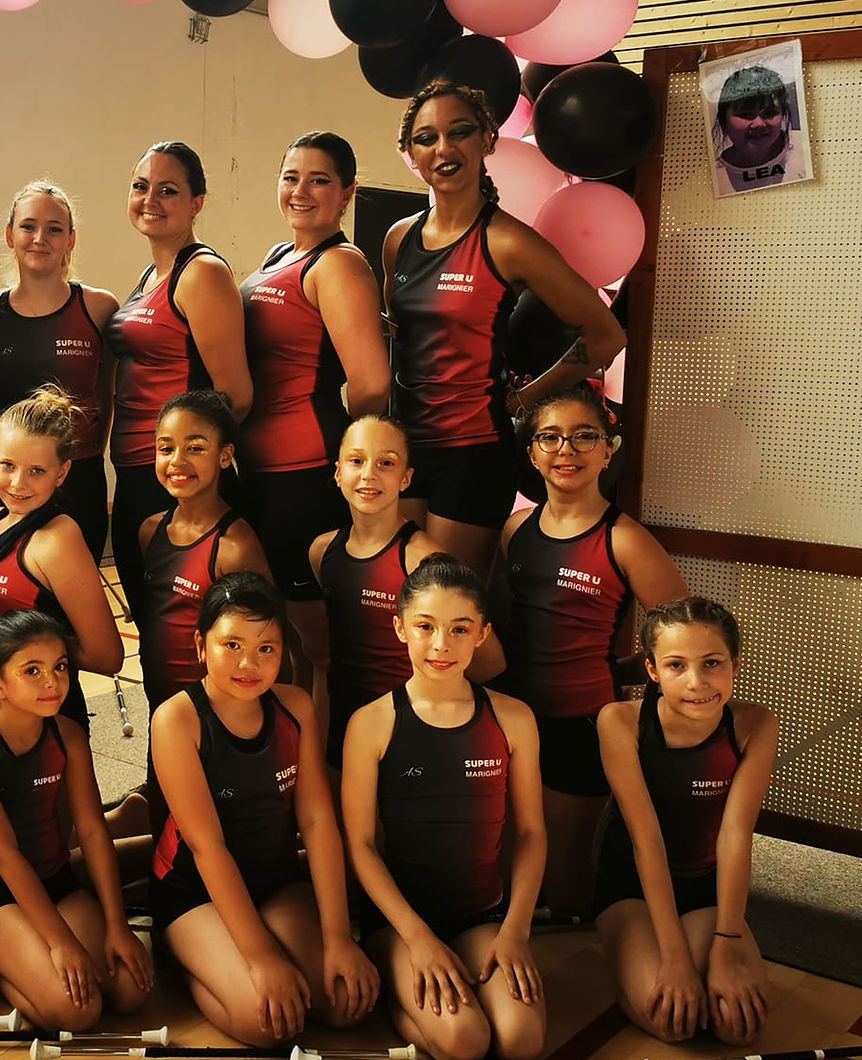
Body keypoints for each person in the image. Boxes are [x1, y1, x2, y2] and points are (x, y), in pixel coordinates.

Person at [385, 80, 625, 575]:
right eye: (427, 138)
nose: (443, 148)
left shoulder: (509, 242)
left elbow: (606, 334)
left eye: (459, 132)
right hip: (403, 447)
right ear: (410, 152)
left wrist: (523, 398)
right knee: (401, 597)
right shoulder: (398, 238)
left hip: (471, 454)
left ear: (487, 139)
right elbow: (398, 336)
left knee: (447, 600)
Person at [474, 383, 688, 921]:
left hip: (581, 726)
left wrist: (627, 677)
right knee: (504, 882)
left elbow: (687, 641)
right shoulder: (515, 530)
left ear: (608, 450)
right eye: (550, 437)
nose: (565, 450)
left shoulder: (625, 540)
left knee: (569, 896)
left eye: (583, 436)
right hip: (512, 719)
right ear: (532, 454)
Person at [149, 572, 378, 1046]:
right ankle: (186, 960)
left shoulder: (296, 707)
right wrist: (261, 957)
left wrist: (338, 938)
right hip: (196, 892)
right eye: (231, 645)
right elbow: (207, 847)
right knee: (267, 1022)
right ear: (200, 646)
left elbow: (317, 822)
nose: (248, 664)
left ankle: (250, 949)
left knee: (343, 1003)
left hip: (275, 883)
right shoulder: (177, 720)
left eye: (266, 648)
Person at [340, 556, 546, 1060]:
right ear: (400, 628)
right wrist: (417, 939)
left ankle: (451, 980)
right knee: (464, 1041)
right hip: (401, 924)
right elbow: (361, 845)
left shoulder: (513, 718)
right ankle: (394, 985)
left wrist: (516, 931)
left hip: (482, 916)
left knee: (521, 1042)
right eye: (425, 626)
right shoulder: (371, 723)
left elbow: (531, 834)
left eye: (460, 629)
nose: (441, 645)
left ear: (482, 634)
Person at [0, 610, 154, 1032]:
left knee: (131, 990)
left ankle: (29, 959)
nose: (52, 682)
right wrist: (60, 942)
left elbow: (92, 831)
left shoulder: (68, 734)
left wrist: (117, 925)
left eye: (59, 667)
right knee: (77, 1011)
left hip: (56, 881)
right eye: (32, 671)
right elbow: (4, 855)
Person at [238, 132, 390, 681]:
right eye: (291, 177)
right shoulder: (281, 255)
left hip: (304, 472)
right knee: (273, 627)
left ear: (347, 193)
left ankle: (326, 736)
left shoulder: (339, 264)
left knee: (313, 642)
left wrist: (352, 469)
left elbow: (371, 384)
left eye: (319, 180)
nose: (300, 191)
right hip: (260, 470)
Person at [596, 597, 777, 1046]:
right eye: (676, 666)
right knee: (672, 1022)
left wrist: (727, 943)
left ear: (735, 664)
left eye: (712, 663)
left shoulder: (754, 725)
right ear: (653, 671)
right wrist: (676, 960)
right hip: (632, 887)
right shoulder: (620, 722)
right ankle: (628, 963)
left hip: (703, 888)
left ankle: (694, 955)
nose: (697, 682)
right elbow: (647, 841)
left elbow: (735, 837)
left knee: (736, 1026)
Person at [105, 142, 253, 615]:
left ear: (196, 203)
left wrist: (188, 471)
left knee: (186, 627)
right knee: (150, 622)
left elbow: (235, 395)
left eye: (167, 190)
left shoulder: (201, 272)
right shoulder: (152, 274)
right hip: (136, 472)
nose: (150, 199)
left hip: (177, 481)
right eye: (140, 186)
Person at [0, 387, 123, 732]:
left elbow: (106, 655)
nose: (18, 483)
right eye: (7, 465)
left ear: (61, 473)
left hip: (44, 731)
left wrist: (16, 652)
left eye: (37, 471)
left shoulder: (57, 538)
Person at [0, 182, 119, 564]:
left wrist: (82, 455)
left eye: (54, 229)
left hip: (77, 475)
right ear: (9, 235)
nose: (40, 238)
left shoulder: (99, 308)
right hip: (6, 481)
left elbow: (106, 395)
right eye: (28, 226)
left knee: (73, 588)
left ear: (71, 239)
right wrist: (16, 460)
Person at [308, 413, 444, 765]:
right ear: (338, 472)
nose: (369, 474)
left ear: (406, 478)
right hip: (343, 729)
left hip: (408, 735)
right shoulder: (322, 551)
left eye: (386, 463)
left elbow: (482, 661)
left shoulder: (422, 560)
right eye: (357, 460)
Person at [136, 390, 272, 715]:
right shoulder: (150, 531)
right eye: (166, 448)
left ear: (225, 456)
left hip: (219, 713)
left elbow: (268, 640)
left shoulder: (234, 547)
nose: (177, 461)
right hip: (161, 704)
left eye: (195, 448)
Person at [712, 65, 796, 194]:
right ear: (724, 119)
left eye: (769, 113)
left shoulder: (806, 150)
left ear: (783, 113)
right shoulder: (714, 178)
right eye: (745, 114)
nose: (758, 124)